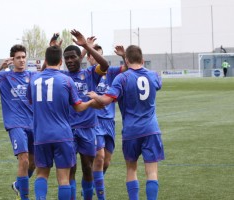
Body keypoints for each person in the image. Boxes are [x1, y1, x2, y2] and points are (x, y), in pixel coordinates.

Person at [87, 45, 165, 200]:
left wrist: (95, 96)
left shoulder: (122, 78)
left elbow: (106, 100)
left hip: (131, 132)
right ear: (142, 60)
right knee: (152, 172)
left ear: (126, 60)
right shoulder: (154, 75)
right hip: (151, 129)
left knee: (131, 169)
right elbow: (156, 85)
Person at [27, 45, 100, 200]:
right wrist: (91, 102)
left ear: (45, 61)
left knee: (41, 174)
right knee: (64, 178)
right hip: (63, 135)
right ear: (61, 61)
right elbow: (79, 106)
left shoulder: (34, 80)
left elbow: (30, 101)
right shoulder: (66, 80)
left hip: (41, 135)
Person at [52, 29, 109, 200]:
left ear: (80, 58)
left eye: (73, 57)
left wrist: (86, 46)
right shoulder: (61, 76)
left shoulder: (90, 73)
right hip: (67, 130)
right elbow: (44, 71)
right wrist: (53, 50)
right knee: (70, 168)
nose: (69, 60)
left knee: (87, 167)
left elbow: (105, 65)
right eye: (66, 58)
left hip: (88, 128)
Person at [0, 44, 36, 200]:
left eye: (23, 57)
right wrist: (0, 67)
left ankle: (18, 185)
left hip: (34, 124)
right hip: (15, 124)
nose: (21, 60)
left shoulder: (32, 77)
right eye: (18, 58)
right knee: (24, 159)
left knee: (33, 163)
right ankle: (24, 197)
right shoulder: (4, 77)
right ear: (12, 60)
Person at [85, 44, 127, 200]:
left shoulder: (112, 72)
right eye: (94, 56)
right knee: (100, 156)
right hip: (95, 120)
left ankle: (91, 184)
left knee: (107, 161)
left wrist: (123, 55)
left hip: (109, 122)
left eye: (99, 55)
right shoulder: (88, 75)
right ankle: (97, 193)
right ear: (89, 58)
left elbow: (129, 68)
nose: (97, 59)